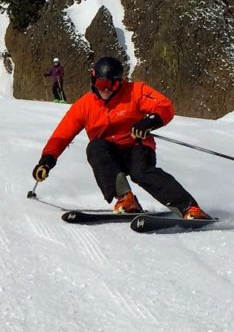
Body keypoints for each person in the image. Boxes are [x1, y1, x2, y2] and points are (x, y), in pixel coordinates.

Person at [32, 55, 207, 217]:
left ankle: (188, 207)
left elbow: (165, 106)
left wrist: (148, 123)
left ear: (120, 83)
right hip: (109, 156)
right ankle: (126, 200)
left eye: (113, 85)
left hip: (137, 147)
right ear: (93, 80)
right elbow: (62, 135)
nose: (107, 90)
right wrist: (46, 161)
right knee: (95, 148)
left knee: (141, 172)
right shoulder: (84, 105)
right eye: (101, 84)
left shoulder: (135, 91)